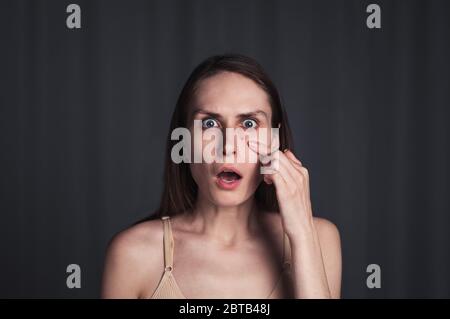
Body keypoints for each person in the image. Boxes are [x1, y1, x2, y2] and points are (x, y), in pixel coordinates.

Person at [101, 54, 342, 299]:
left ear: (274, 140)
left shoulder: (319, 239)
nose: (228, 146)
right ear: (183, 140)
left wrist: (301, 231)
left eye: (249, 124)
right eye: (209, 124)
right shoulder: (133, 254)